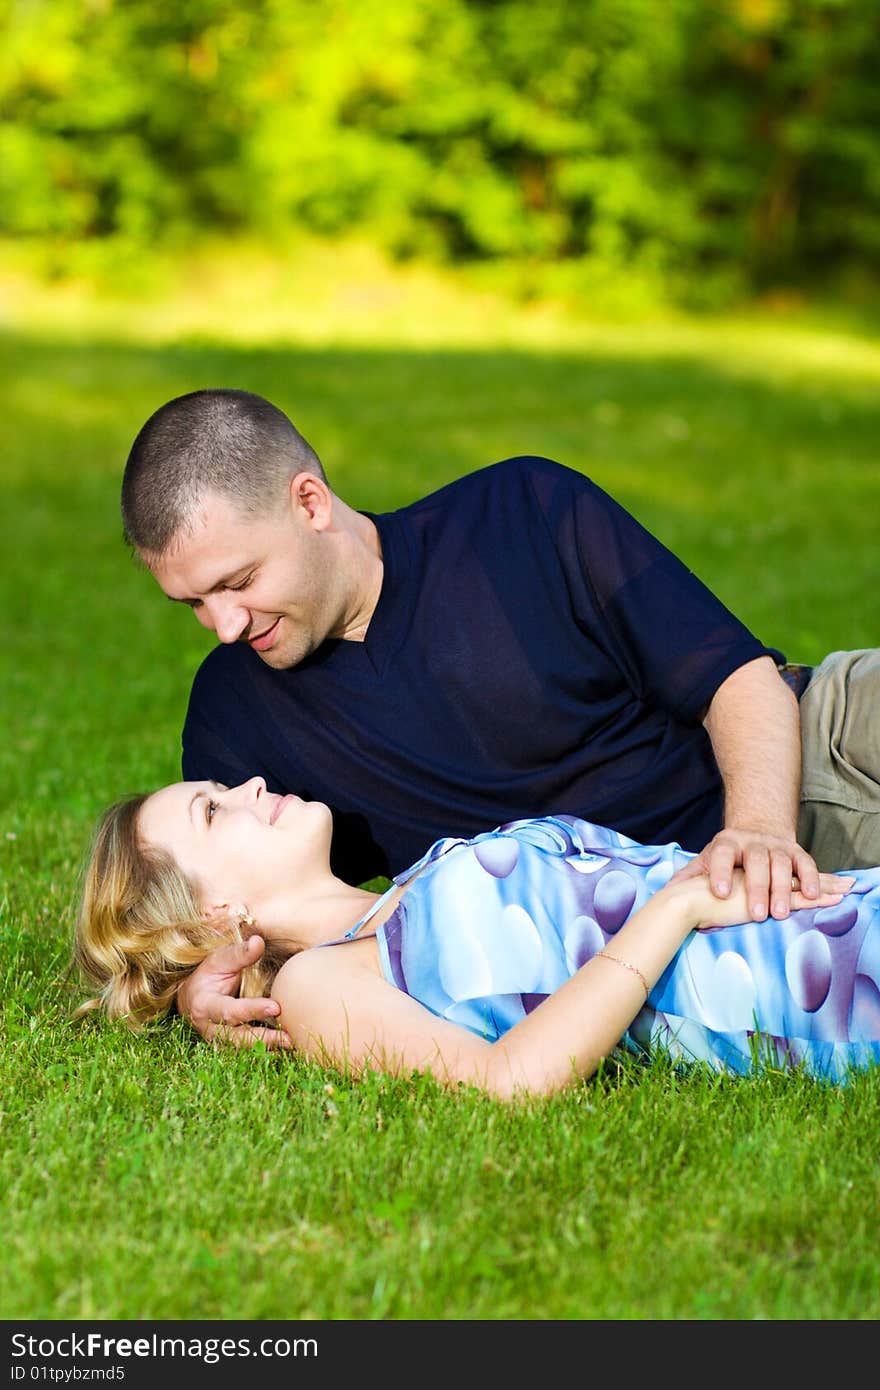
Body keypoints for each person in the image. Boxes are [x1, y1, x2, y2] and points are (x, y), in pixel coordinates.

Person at [119, 388, 880, 1048]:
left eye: (239, 582)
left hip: (807, 741)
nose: (222, 625)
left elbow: (737, 681)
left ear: (309, 502)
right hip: (725, 910)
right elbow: (237, 899)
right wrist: (195, 990)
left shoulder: (522, 510)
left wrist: (757, 833)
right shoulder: (235, 714)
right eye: (192, 602)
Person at [73, 776, 879, 1097]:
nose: (246, 784)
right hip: (827, 993)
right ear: (211, 916)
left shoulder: (415, 881)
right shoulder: (318, 986)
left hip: (840, 906)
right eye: (213, 810)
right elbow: (510, 1083)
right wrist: (674, 910)